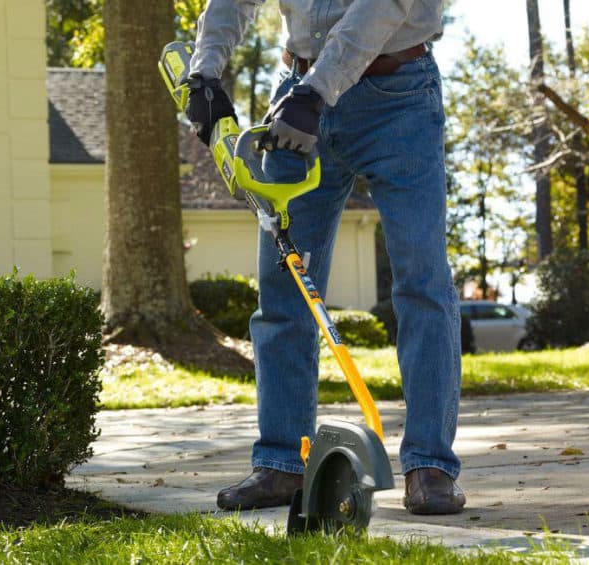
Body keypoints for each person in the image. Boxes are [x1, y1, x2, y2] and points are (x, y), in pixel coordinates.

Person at [185, 0, 465, 515]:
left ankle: (430, 466)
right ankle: (282, 462)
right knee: (283, 290)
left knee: (421, 282)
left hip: (395, 96)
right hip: (294, 97)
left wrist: (318, 90)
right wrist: (204, 73)